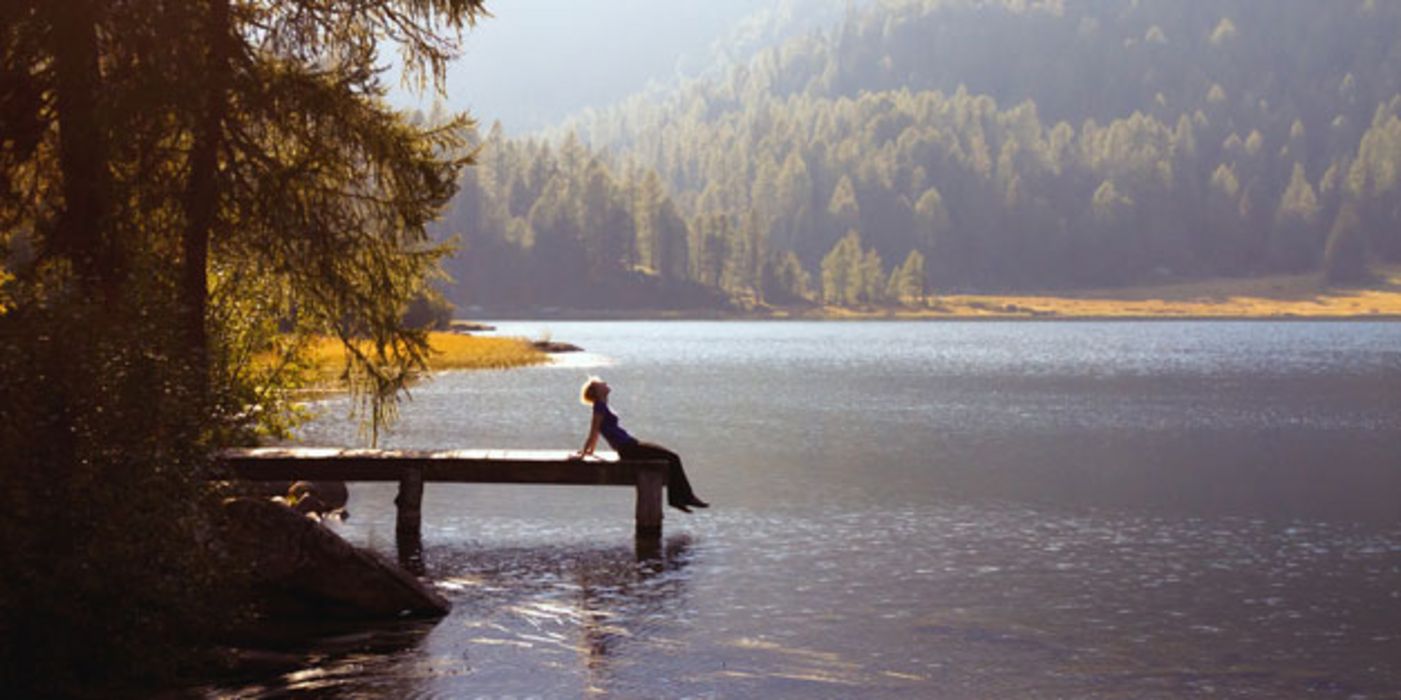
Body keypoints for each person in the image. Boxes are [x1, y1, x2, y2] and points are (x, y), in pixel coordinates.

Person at [573, 377, 709, 513]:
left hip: (631, 445)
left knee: (671, 458)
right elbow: (594, 431)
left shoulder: (602, 405)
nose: (605, 383)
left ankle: (679, 498)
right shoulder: (599, 407)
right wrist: (585, 453)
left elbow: (597, 433)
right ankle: (684, 498)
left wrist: (590, 451)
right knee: (672, 458)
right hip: (629, 449)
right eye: (601, 384)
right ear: (597, 391)